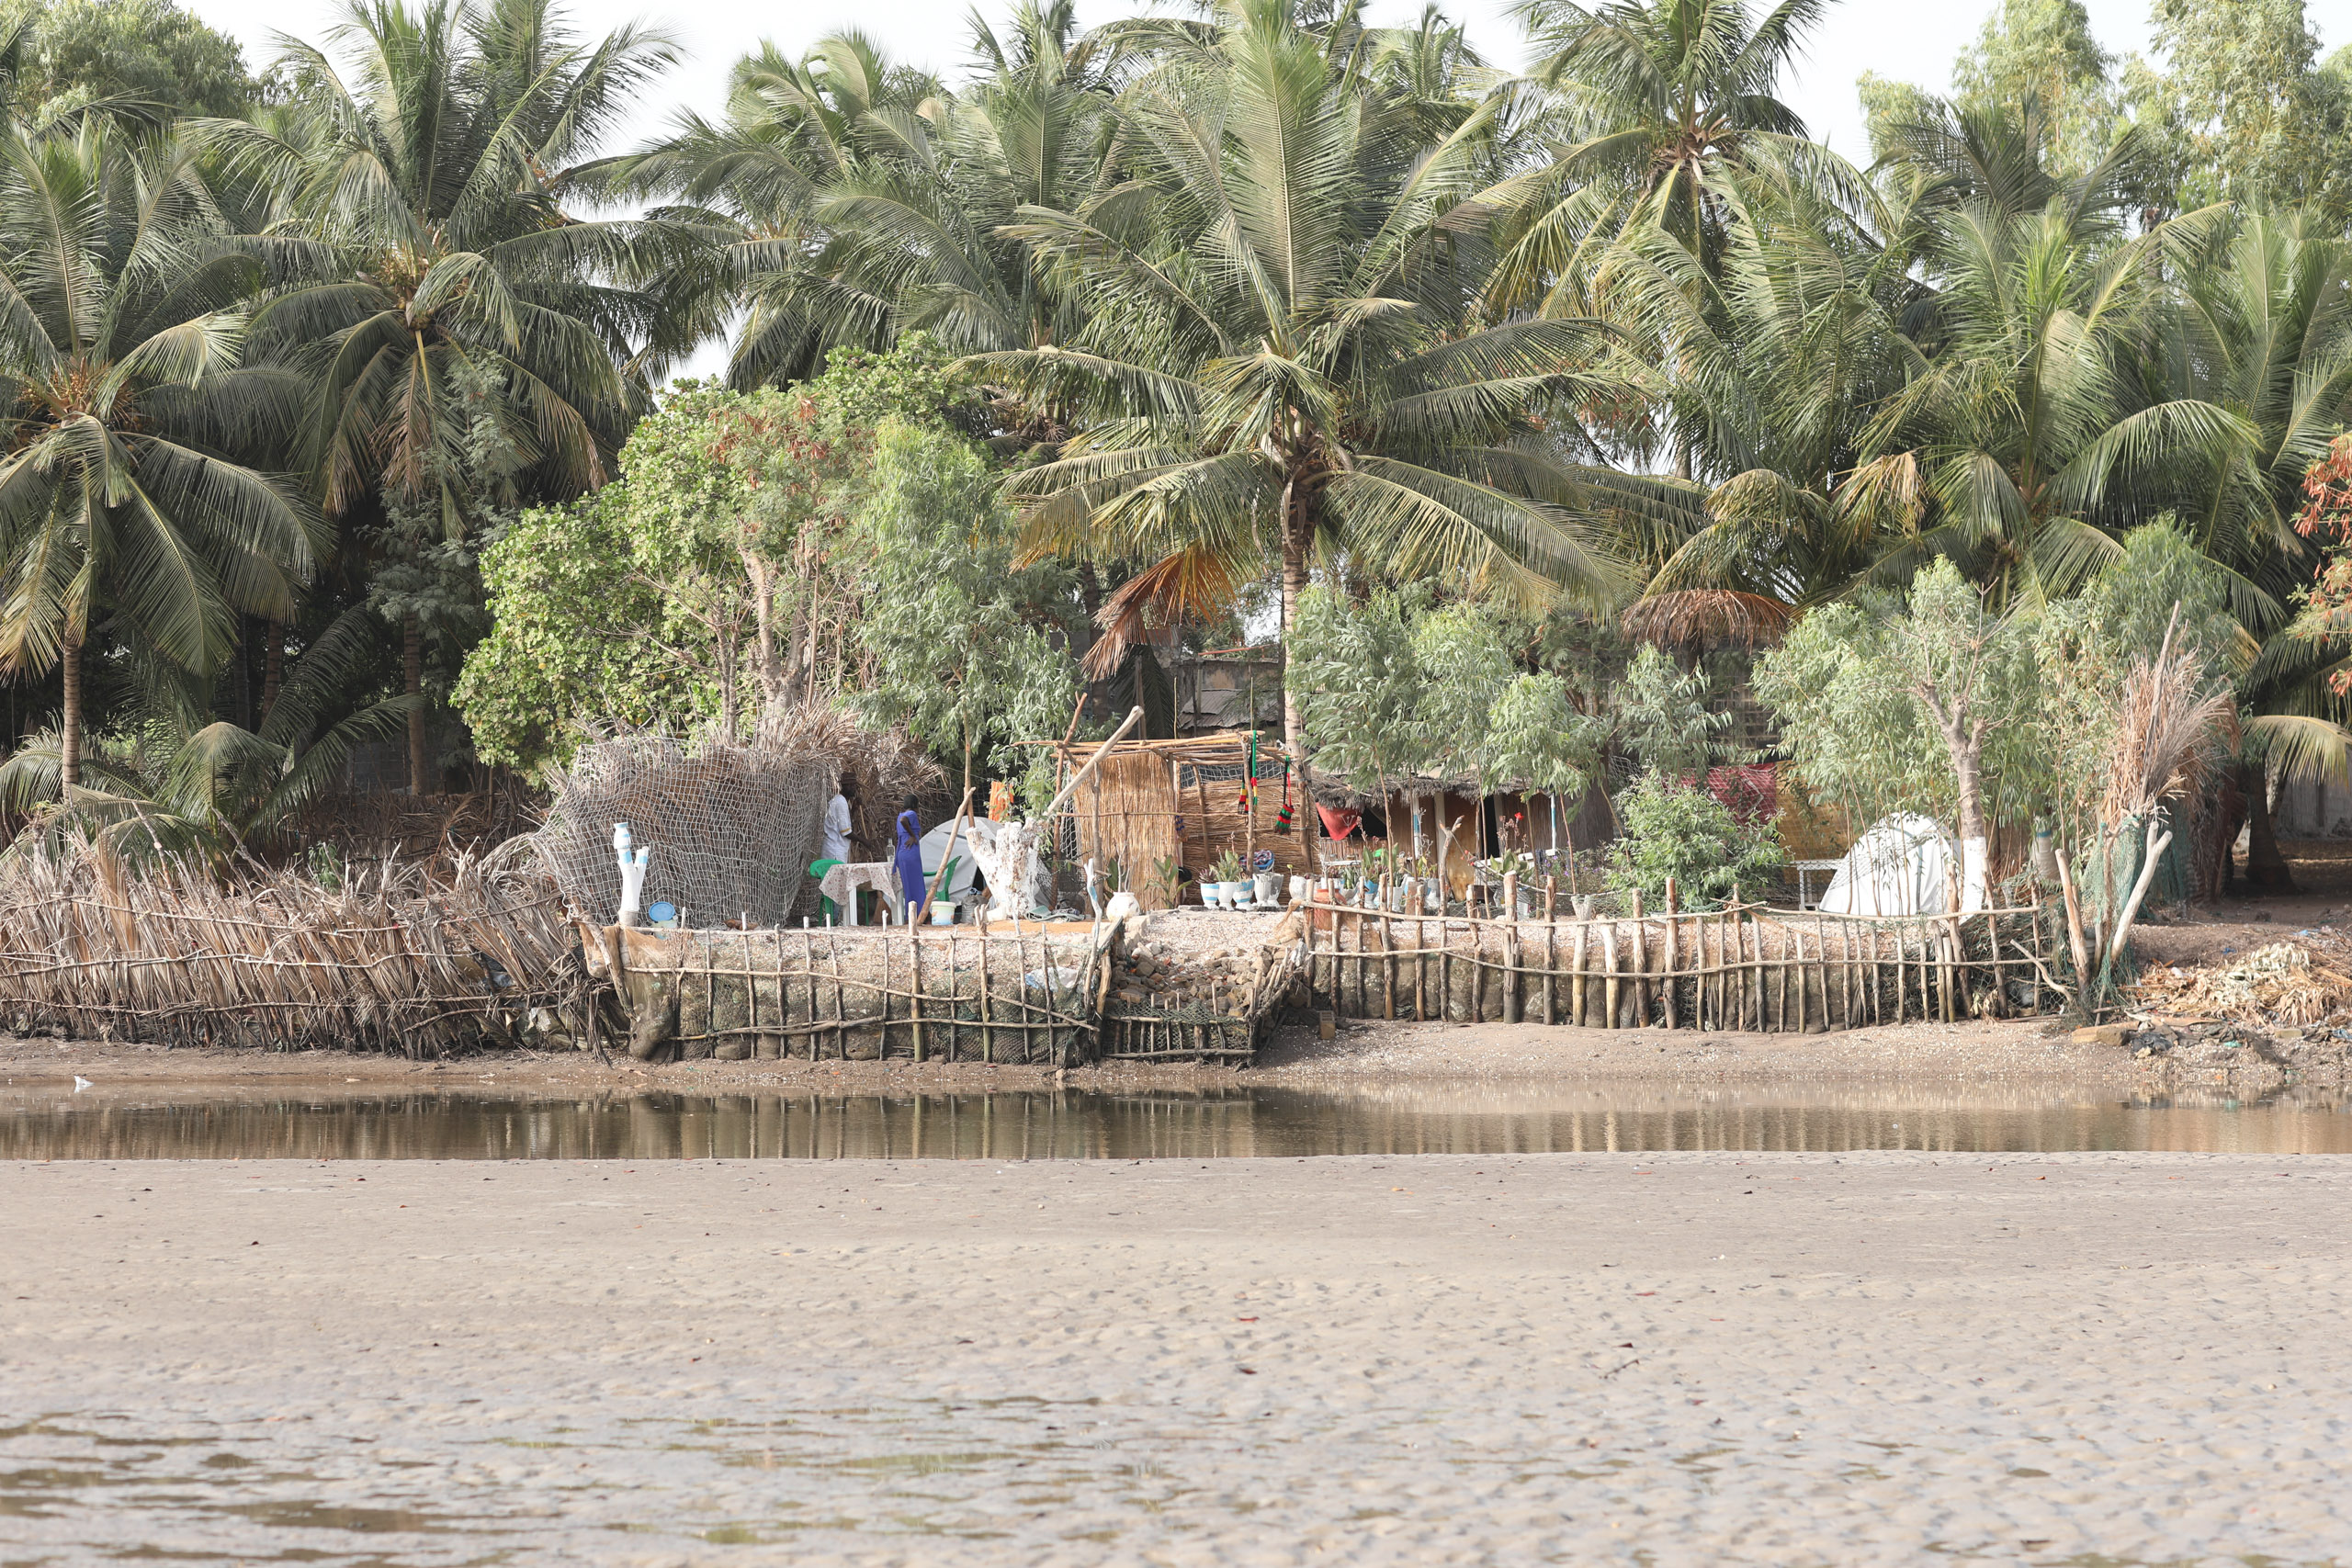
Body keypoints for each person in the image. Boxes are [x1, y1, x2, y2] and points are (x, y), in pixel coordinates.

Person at [895, 795, 925, 917]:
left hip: (902, 853)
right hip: (910, 852)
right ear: (915, 805)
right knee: (916, 883)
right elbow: (904, 820)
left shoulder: (899, 815)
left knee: (908, 885)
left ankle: (911, 914)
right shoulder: (911, 813)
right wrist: (912, 835)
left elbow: (901, 820)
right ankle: (920, 913)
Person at [821, 773, 854, 864]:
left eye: (854, 785)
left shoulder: (840, 800)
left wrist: (854, 808)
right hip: (835, 851)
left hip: (834, 849)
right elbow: (845, 832)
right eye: (850, 785)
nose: (853, 788)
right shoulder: (840, 803)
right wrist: (864, 842)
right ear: (844, 786)